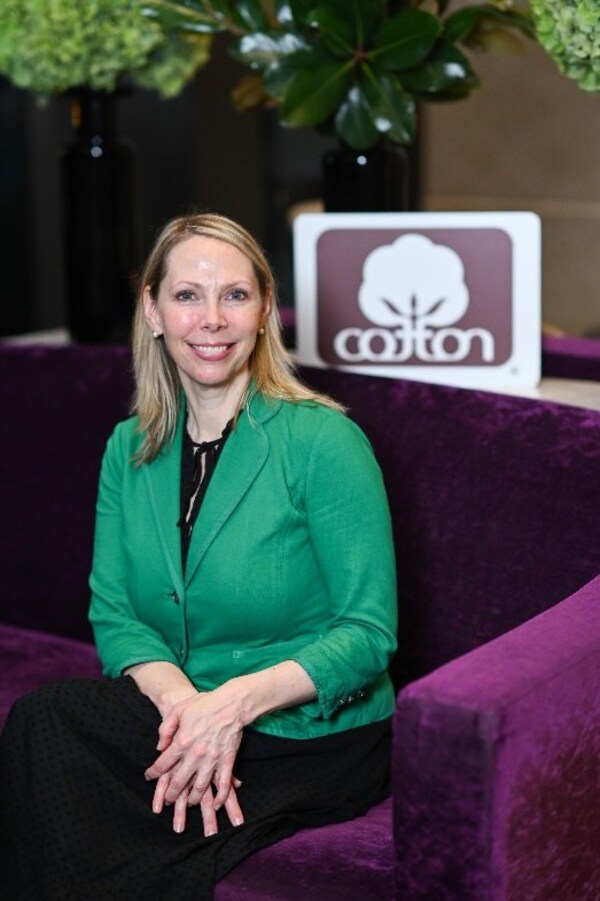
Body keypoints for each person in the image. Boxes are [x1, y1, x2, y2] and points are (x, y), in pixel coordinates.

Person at [0, 212, 397, 898]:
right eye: (187, 295)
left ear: (265, 310)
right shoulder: (129, 446)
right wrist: (190, 711)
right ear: (153, 311)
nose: (211, 318)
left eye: (234, 295)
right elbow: (115, 612)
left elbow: (368, 633)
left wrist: (231, 708)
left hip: (302, 730)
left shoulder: (324, 441)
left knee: (54, 737)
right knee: (48, 729)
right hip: (183, 710)